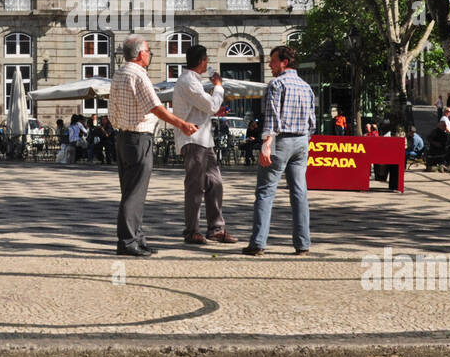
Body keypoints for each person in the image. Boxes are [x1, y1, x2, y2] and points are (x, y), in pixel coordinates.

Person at [110, 35, 196, 257]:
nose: (149, 55)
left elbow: (112, 110)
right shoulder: (139, 75)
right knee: (134, 193)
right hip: (139, 138)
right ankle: (128, 242)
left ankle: (137, 238)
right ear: (140, 54)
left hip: (123, 138)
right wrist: (182, 123)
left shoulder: (119, 73)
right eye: (148, 51)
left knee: (130, 191)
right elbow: (155, 107)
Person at [245, 44, 316, 256]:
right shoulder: (306, 86)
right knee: (299, 192)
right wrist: (305, 140)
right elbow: (312, 121)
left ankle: (258, 243)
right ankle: (302, 244)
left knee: (265, 191)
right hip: (302, 141)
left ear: (284, 62)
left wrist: (267, 144)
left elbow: (272, 117)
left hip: (281, 140)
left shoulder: (276, 84)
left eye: (273, 61)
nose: (270, 64)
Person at [173, 45, 237, 245]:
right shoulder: (188, 81)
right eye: (207, 60)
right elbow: (210, 104)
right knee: (195, 186)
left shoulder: (194, 82)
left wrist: (212, 111)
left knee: (215, 183)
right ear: (202, 61)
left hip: (204, 140)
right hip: (193, 140)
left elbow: (204, 109)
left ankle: (216, 228)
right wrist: (218, 86)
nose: (208, 63)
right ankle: (192, 230)